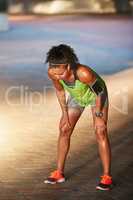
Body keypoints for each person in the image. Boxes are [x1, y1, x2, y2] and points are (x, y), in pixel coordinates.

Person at [44, 44, 113, 190]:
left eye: (60, 74)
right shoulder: (53, 72)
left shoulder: (84, 73)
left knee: (100, 131)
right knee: (64, 129)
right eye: (54, 73)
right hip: (77, 97)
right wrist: (64, 115)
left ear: (68, 66)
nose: (57, 76)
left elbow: (100, 92)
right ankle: (59, 173)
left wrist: (99, 114)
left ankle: (106, 176)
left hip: (97, 97)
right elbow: (60, 92)